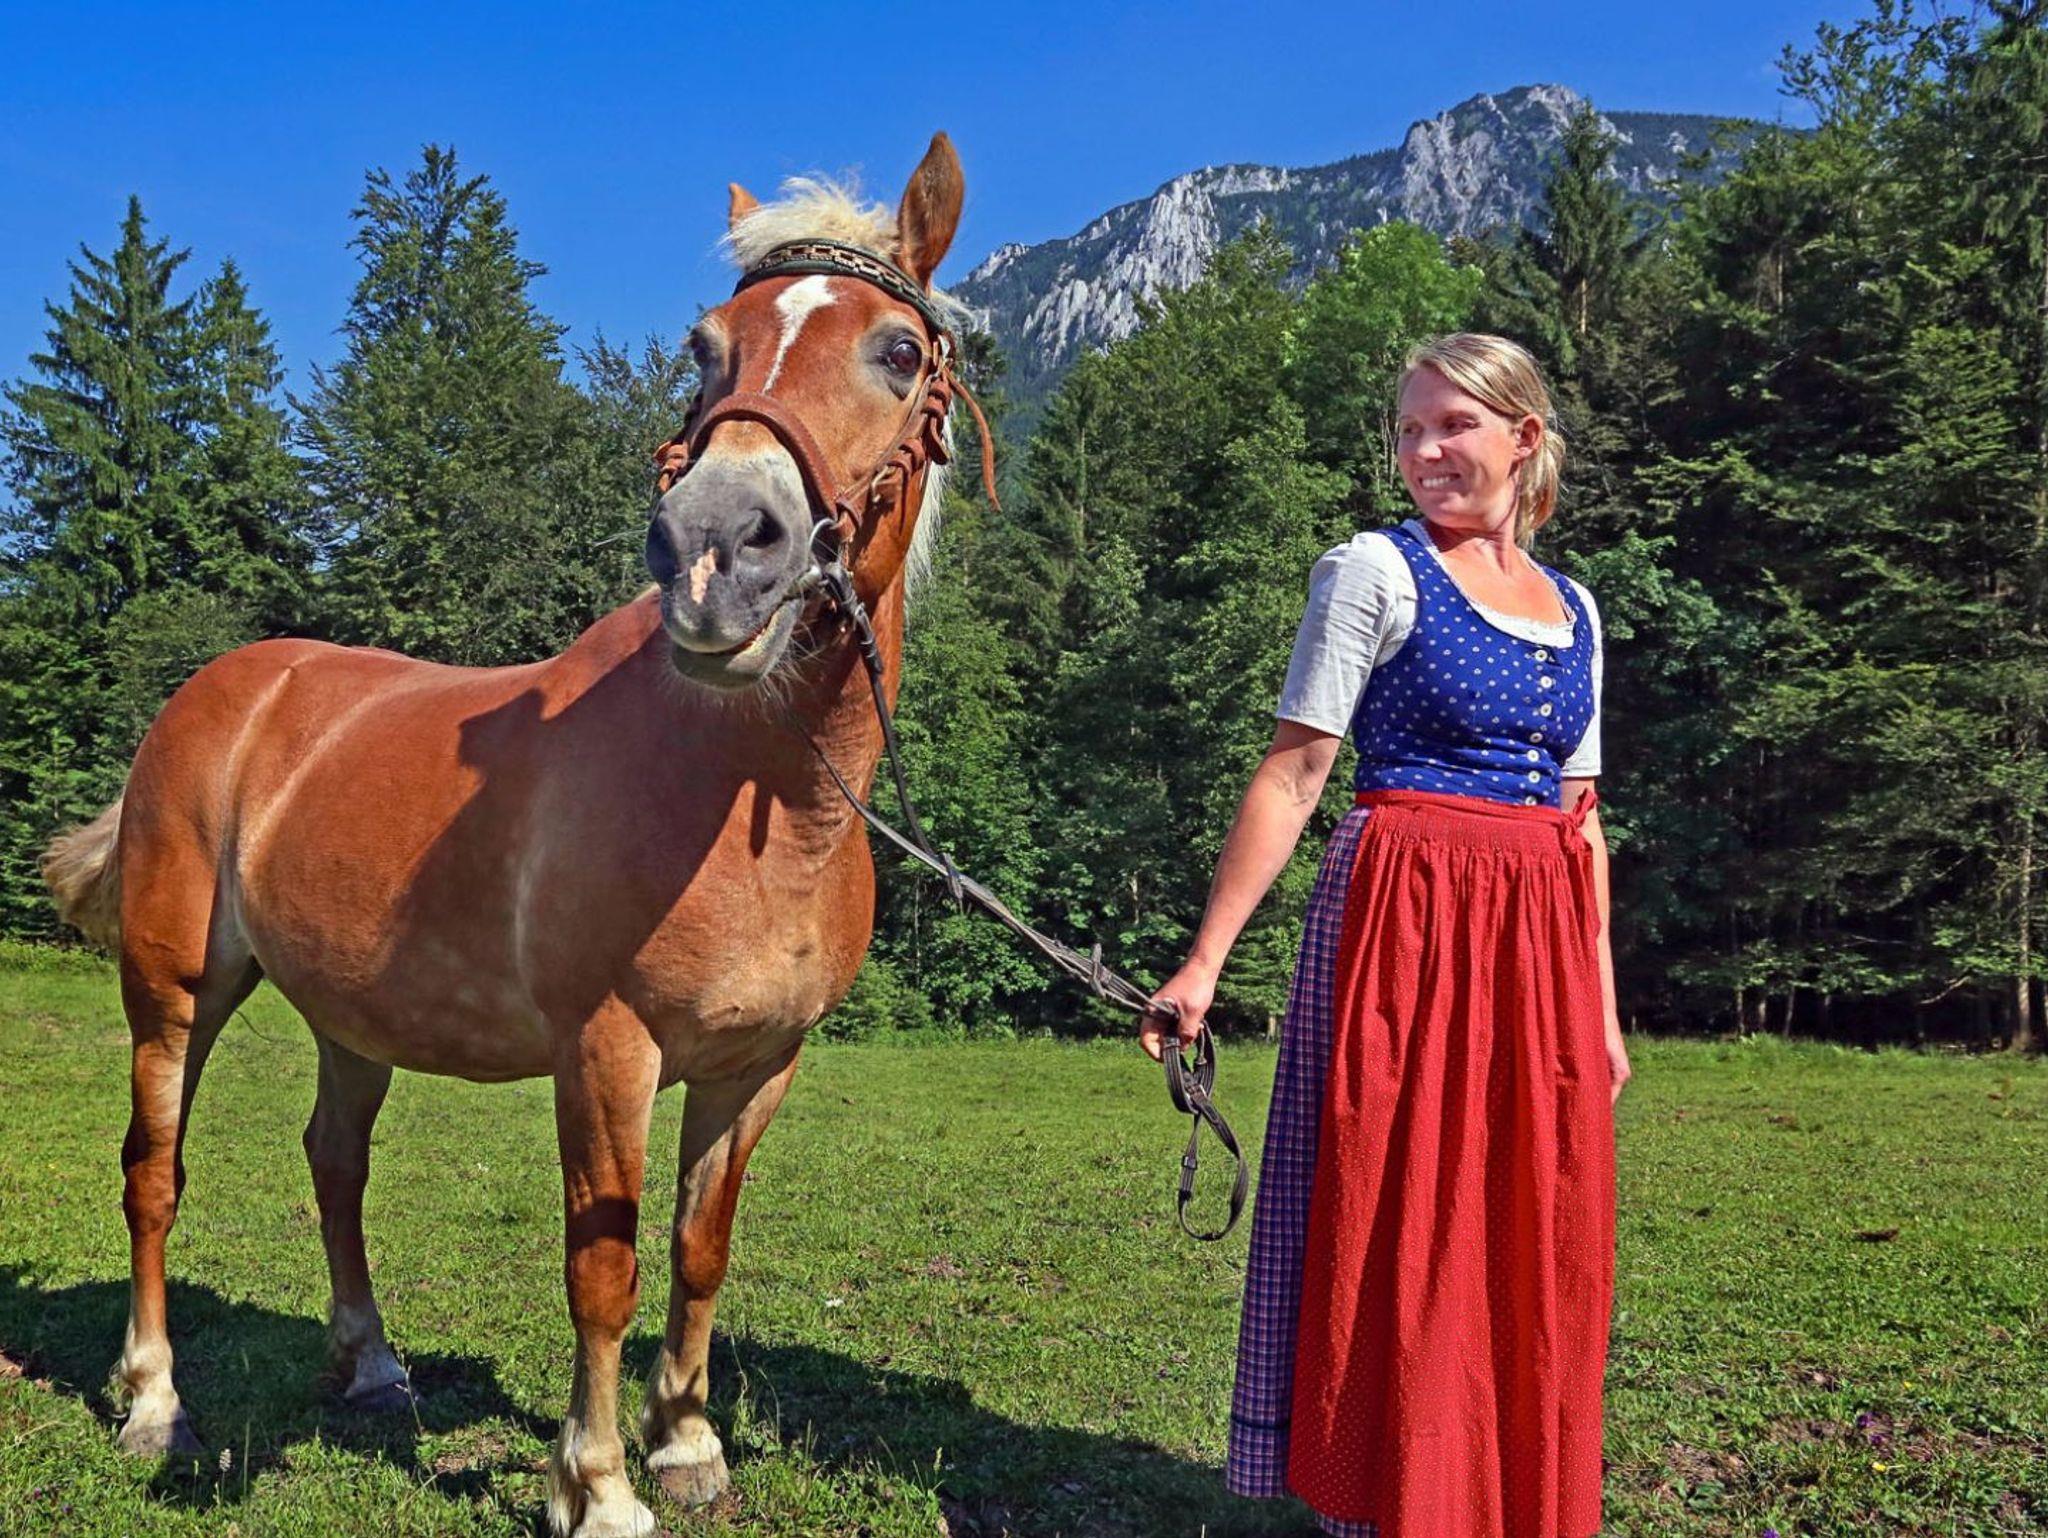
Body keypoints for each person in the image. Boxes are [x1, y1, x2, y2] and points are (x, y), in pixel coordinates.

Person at [1143, 333, 1630, 1538]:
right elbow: (1293, 772)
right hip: (1405, 913)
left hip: (1539, 939)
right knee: (1398, 1199)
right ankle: (1385, 1492)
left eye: (1450, 425)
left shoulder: (1575, 608)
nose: (1422, 452)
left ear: (1524, 436)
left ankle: (1497, 1495)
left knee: (1527, 1215)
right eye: (1407, 429)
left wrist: (1603, 1013)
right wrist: (1202, 962)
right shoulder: (1372, 570)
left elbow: (1581, 819)